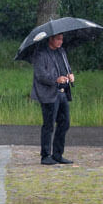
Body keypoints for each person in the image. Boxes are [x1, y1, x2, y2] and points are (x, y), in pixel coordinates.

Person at [29, 32, 75, 165]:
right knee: (48, 125)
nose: (60, 42)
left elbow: (66, 68)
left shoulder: (62, 52)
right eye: (58, 39)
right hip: (49, 94)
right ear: (51, 39)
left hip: (63, 93)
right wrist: (55, 79)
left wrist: (70, 75)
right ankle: (45, 155)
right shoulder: (41, 54)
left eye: (62, 39)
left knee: (64, 123)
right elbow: (40, 75)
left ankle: (57, 154)